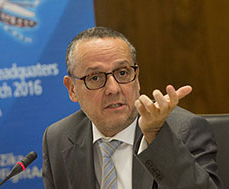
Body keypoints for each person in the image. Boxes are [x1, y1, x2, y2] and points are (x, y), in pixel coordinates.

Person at [42, 26, 223, 189]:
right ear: (72, 89)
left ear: (136, 78)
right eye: (95, 77)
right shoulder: (58, 139)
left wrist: (154, 136)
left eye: (122, 73)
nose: (113, 89)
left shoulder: (183, 130)